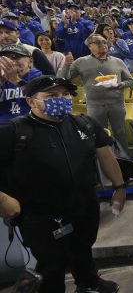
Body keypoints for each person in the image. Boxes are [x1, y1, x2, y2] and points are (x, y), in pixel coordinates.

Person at [0, 75, 126, 293]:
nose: (62, 99)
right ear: (31, 101)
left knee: (83, 248)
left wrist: (119, 187)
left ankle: (88, 283)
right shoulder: (14, 132)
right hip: (40, 215)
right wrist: (3, 199)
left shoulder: (85, 124)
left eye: (65, 94)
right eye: (51, 96)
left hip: (84, 205)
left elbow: (106, 155)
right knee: (51, 265)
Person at [0, 44, 42, 123]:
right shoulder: (2, 79)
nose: (9, 61)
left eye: (14, 57)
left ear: (30, 60)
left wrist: (16, 80)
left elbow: (41, 100)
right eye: (4, 59)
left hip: (30, 126)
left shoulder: (40, 78)